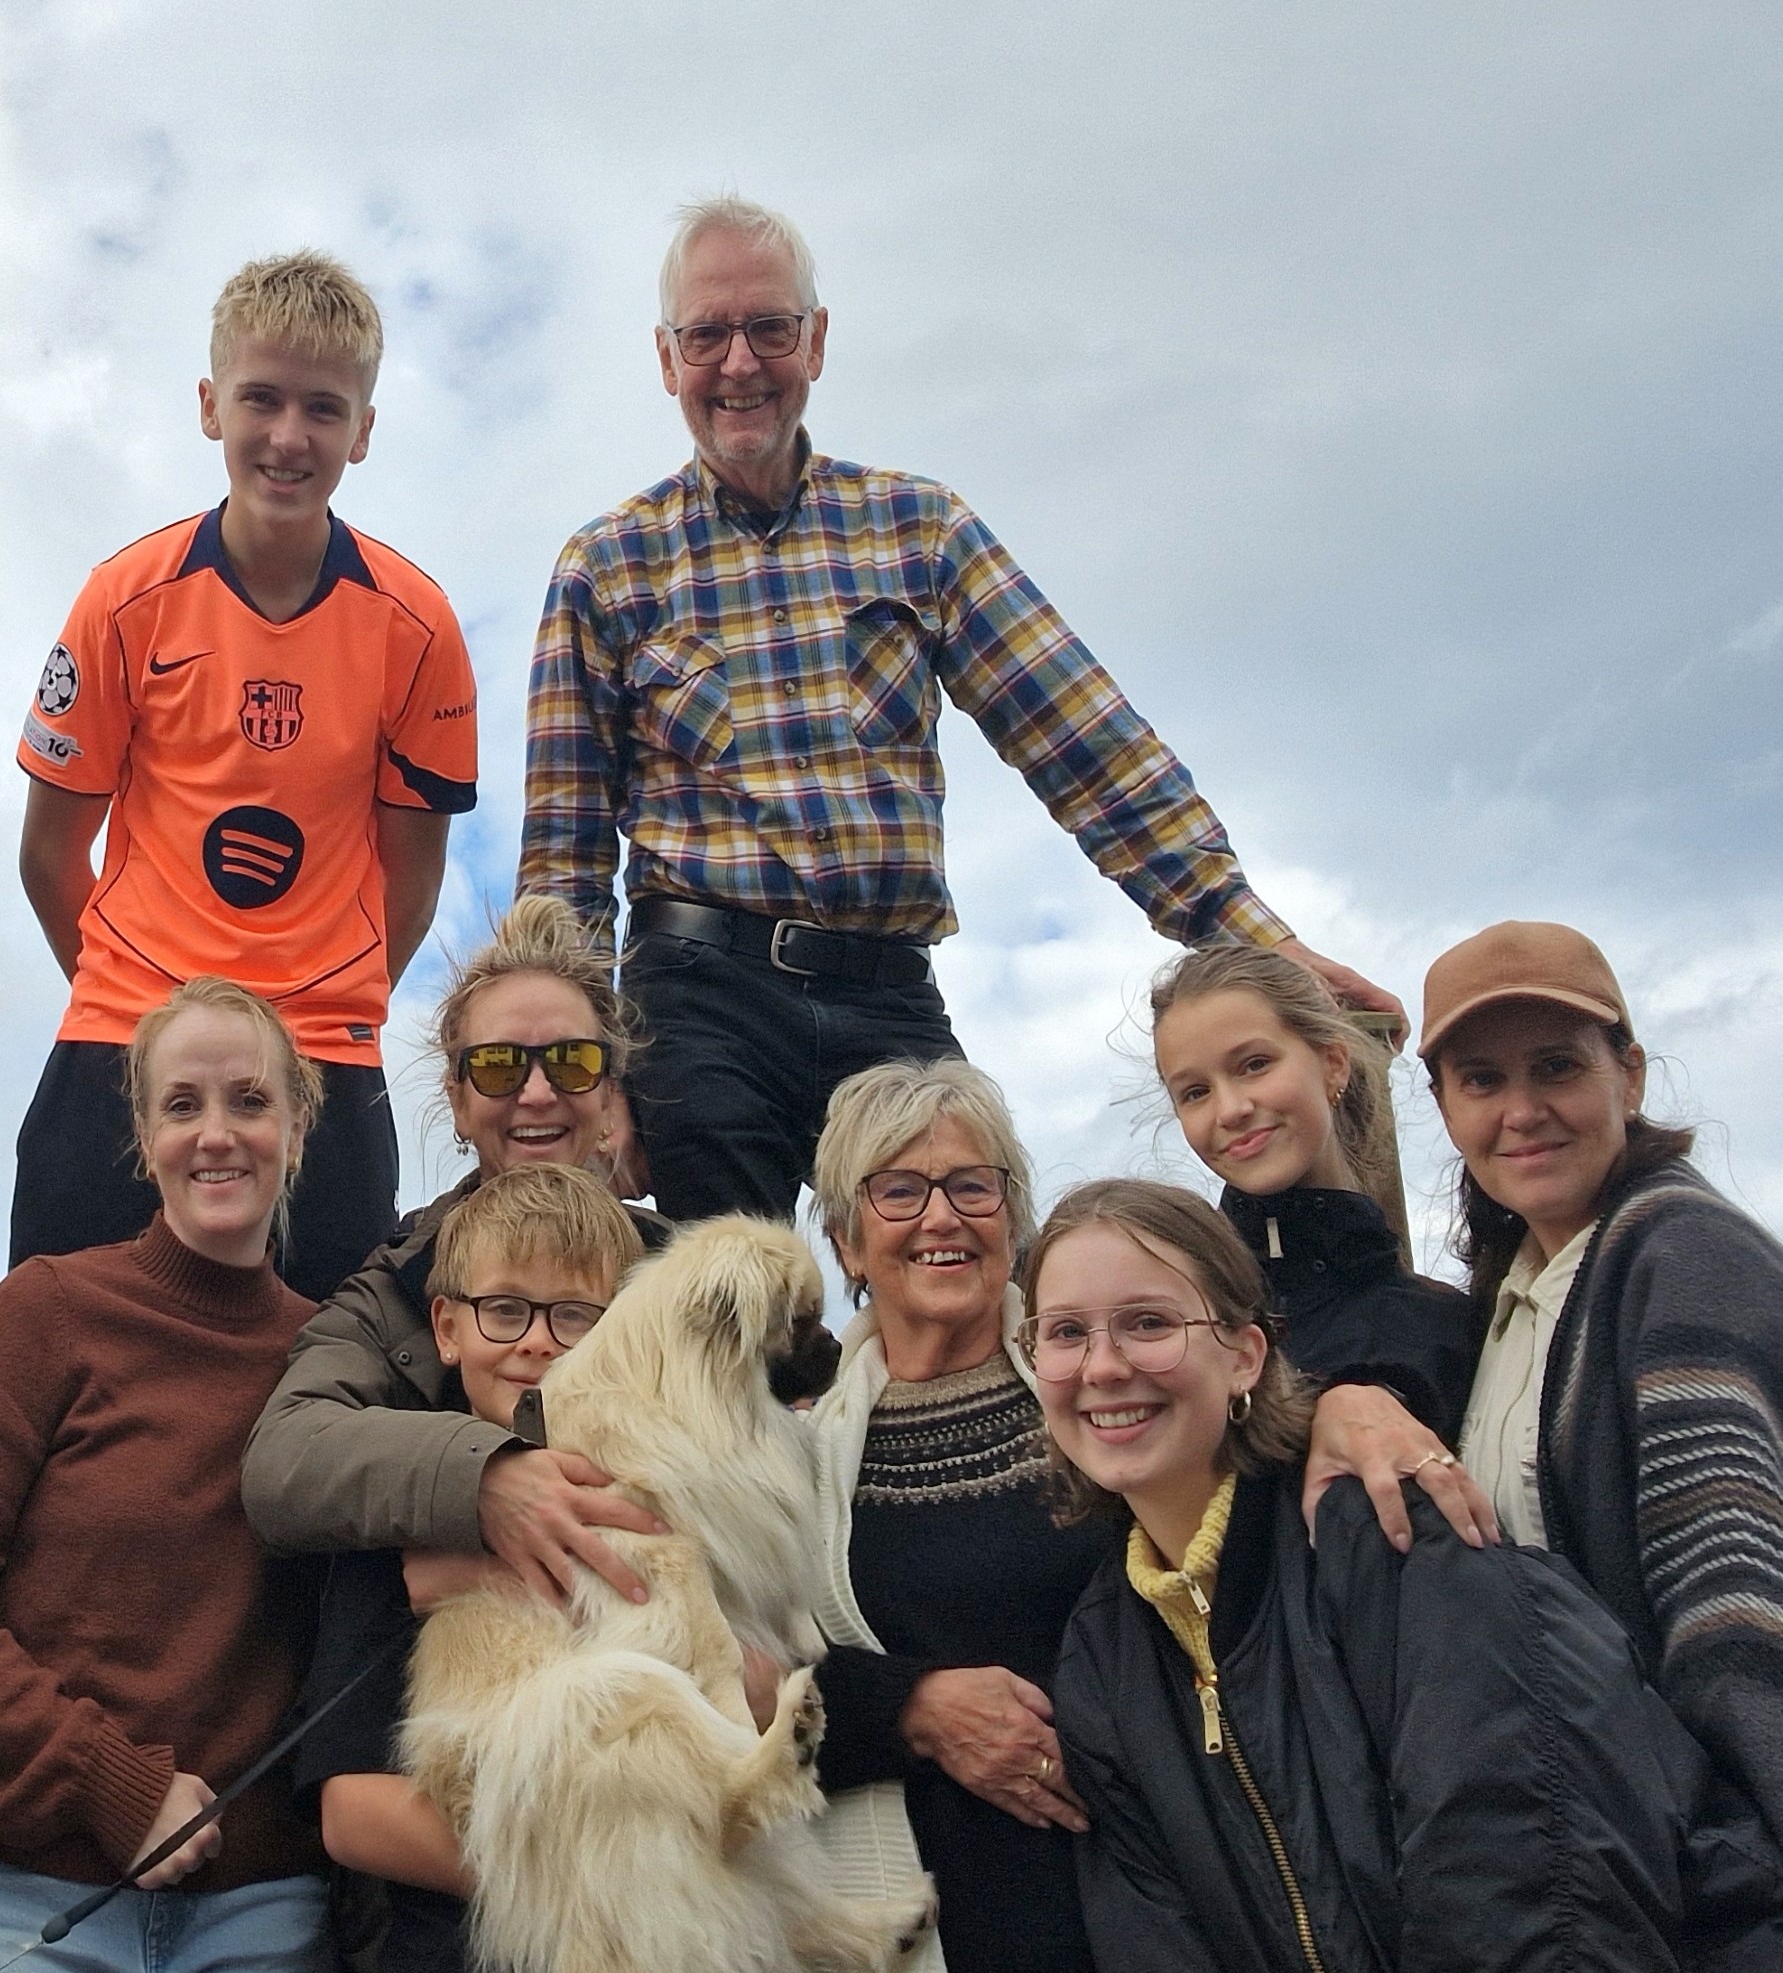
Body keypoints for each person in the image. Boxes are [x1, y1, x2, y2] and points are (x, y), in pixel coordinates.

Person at [515, 195, 1398, 1227]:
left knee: (971, 1246)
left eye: (770, 329)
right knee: (723, 1289)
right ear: (668, 359)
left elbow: (1087, 744)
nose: (740, 363)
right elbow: (565, 860)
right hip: (699, 994)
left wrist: (1255, 937)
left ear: (817, 341)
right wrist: (579, 1074)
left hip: (888, 988)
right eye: (708, 335)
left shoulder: (920, 529)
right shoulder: (608, 564)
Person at [1033, 1178, 1783, 1973]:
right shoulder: (1102, 1660)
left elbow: (1535, 1909)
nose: (1103, 1367)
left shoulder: (1391, 1539)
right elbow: (1163, 1964)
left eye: (1148, 1323)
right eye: (1066, 1333)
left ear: (1244, 1354)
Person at [10, 249, 478, 1301]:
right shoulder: (125, 599)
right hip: (127, 1029)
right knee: (56, 1342)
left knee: (333, 1367)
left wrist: (323, 998)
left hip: (322, 1051)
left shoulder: (416, 626)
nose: (288, 436)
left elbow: (411, 880)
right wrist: (150, 1017)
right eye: (261, 398)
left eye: (323, 408)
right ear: (210, 405)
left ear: (363, 430)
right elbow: (49, 851)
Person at [0, 979, 334, 1973]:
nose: (217, 1134)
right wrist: (106, 1782)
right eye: (182, 1104)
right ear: (144, 1133)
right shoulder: (46, 1312)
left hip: (255, 1910)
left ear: (299, 1127)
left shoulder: (336, 1360)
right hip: (12, 1889)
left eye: (252, 1101)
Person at [1421, 920, 1783, 1842]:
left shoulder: (1685, 1257)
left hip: (1710, 1850)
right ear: (1446, 1109)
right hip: (1603, 1838)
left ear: (1629, 1076)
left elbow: (1730, 1599)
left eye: (1556, 1067)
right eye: (1482, 1081)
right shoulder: (1507, 1302)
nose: (1522, 1111)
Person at [243, 892, 674, 1604]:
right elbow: (284, 1460)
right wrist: (484, 1478)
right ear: (458, 1100)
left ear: (608, 1095)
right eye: (500, 1066)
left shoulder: (684, 1276)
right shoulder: (394, 1285)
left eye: (571, 1062)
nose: (538, 1093)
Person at [294, 1163, 649, 1973]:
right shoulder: (403, 1528)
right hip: (470, 1970)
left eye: (575, 1316)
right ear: (447, 1328)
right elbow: (354, 1813)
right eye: (505, 1310)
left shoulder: (668, 1499)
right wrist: (597, 1883)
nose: (538, 1341)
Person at [798, 1058, 1113, 1973]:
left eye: (973, 1186)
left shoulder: (1102, 1398)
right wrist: (913, 1706)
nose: (942, 1217)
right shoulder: (799, 1462)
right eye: (899, 1191)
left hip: (1140, 1911)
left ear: (1012, 1221)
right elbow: (745, 1684)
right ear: (848, 1244)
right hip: (925, 1939)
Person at [1150, 942, 1474, 1431]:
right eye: (1196, 1092)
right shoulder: (1171, 1331)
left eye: (1255, 1064)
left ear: (1333, 1063)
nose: (1231, 1109)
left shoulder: (1451, 1325)